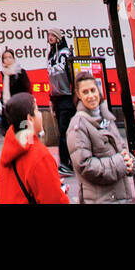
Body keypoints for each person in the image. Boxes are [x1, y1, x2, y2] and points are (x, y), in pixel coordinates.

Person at [67, 72, 135, 203]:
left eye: (93, 90)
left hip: (120, 196)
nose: (91, 96)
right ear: (78, 95)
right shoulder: (77, 125)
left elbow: (121, 149)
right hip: (100, 199)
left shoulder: (107, 118)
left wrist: (130, 162)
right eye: (85, 92)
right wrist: (120, 163)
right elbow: (85, 165)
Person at [0, 93, 69, 204]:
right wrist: (60, 192)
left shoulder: (9, 149)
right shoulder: (40, 157)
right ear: (30, 119)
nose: (40, 114)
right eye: (37, 110)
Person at [46, 30, 76, 175]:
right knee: (62, 131)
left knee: (64, 131)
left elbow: (71, 74)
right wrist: (51, 99)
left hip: (67, 97)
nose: (49, 38)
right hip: (57, 97)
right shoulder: (50, 55)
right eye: (48, 36)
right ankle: (66, 161)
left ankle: (66, 162)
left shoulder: (65, 53)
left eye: (52, 35)